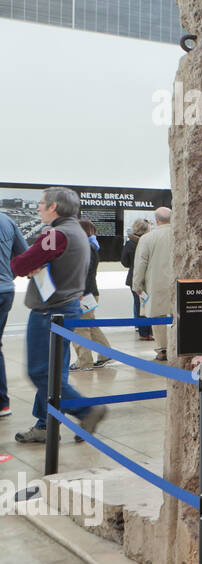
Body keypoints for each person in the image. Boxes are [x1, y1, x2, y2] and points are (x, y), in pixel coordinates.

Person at [9, 187, 107, 443]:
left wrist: (30, 264)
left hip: (51, 312)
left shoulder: (56, 234)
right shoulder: (76, 231)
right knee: (55, 373)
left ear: (53, 207)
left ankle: (87, 409)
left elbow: (19, 265)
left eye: (42, 203)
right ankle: (45, 424)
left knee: (40, 373)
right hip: (66, 308)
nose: (39, 207)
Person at [70, 218, 112, 370]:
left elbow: (85, 273)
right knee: (90, 326)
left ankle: (84, 362)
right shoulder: (90, 246)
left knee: (80, 328)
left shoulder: (87, 247)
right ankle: (106, 354)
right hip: (88, 293)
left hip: (84, 294)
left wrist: (80, 292)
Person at [133, 206, 174, 361]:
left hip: (156, 284)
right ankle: (179, 346)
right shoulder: (179, 235)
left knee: (158, 318)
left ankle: (163, 349)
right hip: (179, 283)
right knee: (179, 315)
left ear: (156, 220)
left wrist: (137, 286)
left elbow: (140, 264)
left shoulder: (147, 238)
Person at [0, 209, 29, 419]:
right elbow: (24, 255)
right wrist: (6, 275)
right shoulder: (7, 220)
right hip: (5, 291)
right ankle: (2, 403)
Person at [120, 218, 154, 341]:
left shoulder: (130, 243)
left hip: (134, 277)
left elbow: (124, 262)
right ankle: (150, 332)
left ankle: (143, 332)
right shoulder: (150, 241)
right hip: (149, 278)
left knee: (138, 304)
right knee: (149, 305)